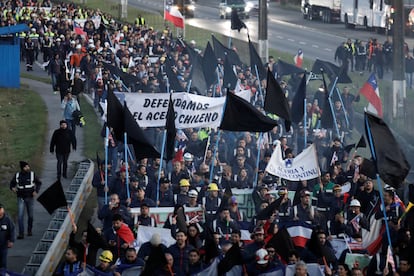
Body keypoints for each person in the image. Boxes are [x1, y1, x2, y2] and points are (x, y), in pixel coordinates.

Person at [9, 161, 42, 239]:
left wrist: (36, 191)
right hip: (20, 198)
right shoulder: (17, 175)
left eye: (28, 166)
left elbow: (39, 183)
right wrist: (12, 188)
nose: (28, 168)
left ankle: (29, 230)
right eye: (26, 167)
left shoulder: (32, 174)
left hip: (30, 197)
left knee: (30, 216)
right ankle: (21, 233)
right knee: (20, 216)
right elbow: (11, 184)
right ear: (23, 168)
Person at [0, 204, 15, 269]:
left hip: (3, 245)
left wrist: (11, 241)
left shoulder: (7, 220)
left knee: (3, 262)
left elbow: (12, 230)